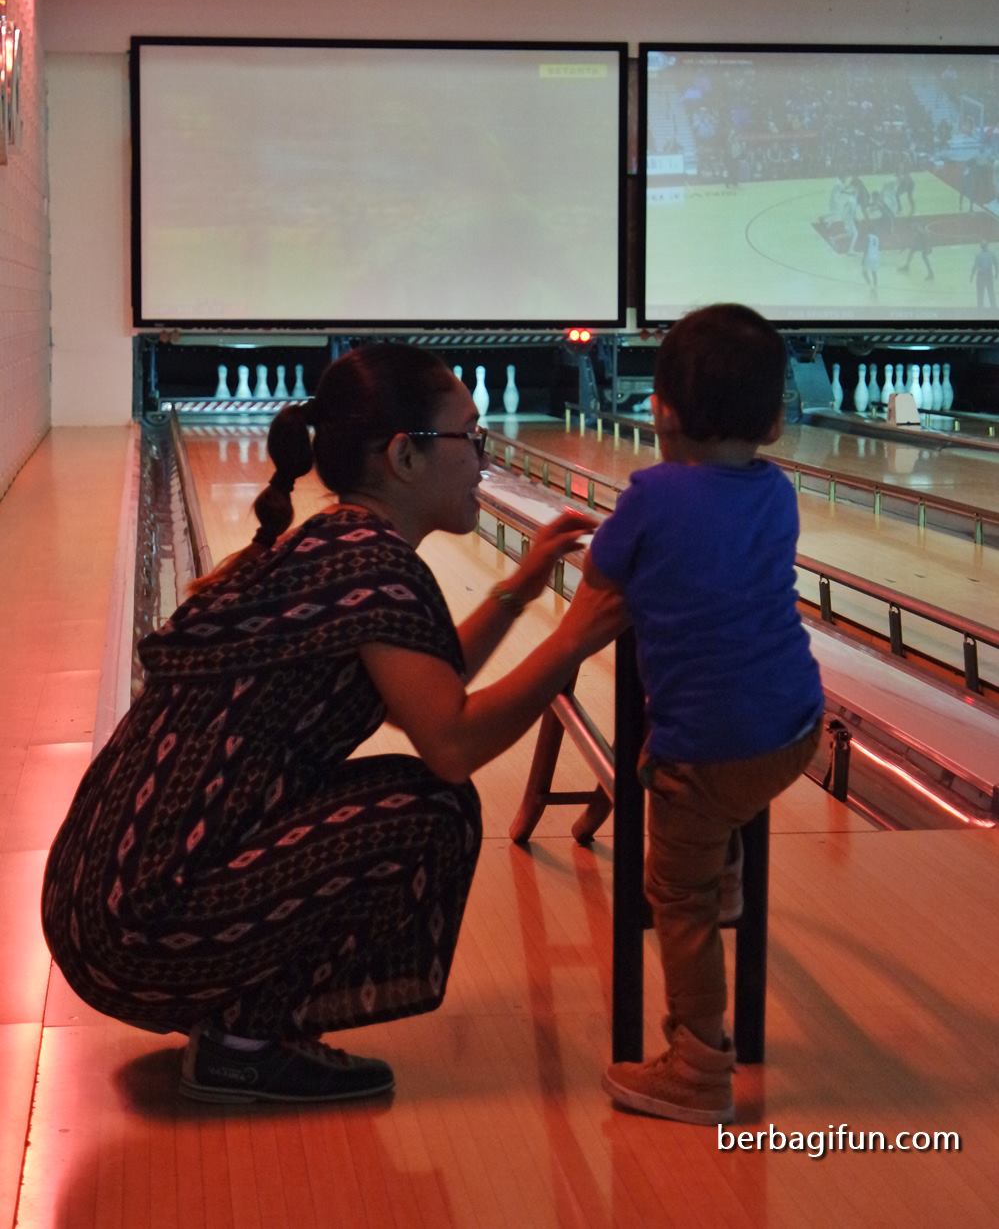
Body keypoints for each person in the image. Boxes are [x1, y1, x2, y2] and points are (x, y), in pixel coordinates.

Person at [41, 344, 624, 1106]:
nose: (484, 459)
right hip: (140, 924)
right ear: (404, 456)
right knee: (430, 808)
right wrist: (575, 634)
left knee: (412, 792)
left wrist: (517, 591)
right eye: (469, 438)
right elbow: (450, 744)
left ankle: (235, 1018)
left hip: (102, 899)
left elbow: (419, 690)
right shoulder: (371, 566)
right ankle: (244, 1043)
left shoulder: (337, 543)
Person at [588, 305, 823, 1126]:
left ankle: (695, 1065)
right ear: (772, 419)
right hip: (796, 726)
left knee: (674, 897)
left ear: (659, 410)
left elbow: (601, 579)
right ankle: (724, 870)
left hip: (709, 752)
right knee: (723, 797)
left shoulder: (650, 495)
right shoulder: (778, 491)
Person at [970, 240, 998, 309]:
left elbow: (996, 264)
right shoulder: (983, 254)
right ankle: (985, 306)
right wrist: (972, 275)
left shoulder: (987, 254)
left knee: (988, 291)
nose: (983, 246)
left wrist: (997, 273)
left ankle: (991, 306)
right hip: (984, 275)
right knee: (984, 291)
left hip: (985, 274)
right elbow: (975, 266)